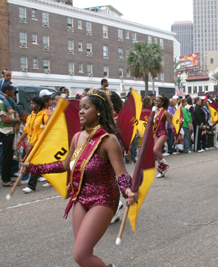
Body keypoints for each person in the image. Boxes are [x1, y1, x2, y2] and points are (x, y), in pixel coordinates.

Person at [21, 88, 137, 266]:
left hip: (104, 198)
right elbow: (64, 165)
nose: (81, 111)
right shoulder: (77, 137)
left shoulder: (108, 140)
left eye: (86, 107)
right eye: (80, 107)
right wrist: (34, 168)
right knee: (84, 254)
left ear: (98, 110)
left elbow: (121, 173)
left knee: (80, 255)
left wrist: (127, 190)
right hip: (80, 198)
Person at [16, 97, 50, 193]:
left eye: (33, 104)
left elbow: (49, 131)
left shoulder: (44, 117)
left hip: (41, 145)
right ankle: (51, 180)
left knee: (34, 163)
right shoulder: (30, 117)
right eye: (30, 103)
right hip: (33, 144)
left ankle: (31, 186)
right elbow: (26, 130)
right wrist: (19, 139)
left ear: (39, 105)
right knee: (44, 163)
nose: (31, 105)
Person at [0, 82, 21, 187]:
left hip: (10, 131)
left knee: (10, 156)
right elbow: (4, 119)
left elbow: (14, 112)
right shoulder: (1, 102)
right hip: (4, 132)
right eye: (11, 90)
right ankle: (5, 180)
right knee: (5, 157)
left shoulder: (8, 101)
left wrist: (15, 121)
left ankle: (9, 177)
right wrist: (17, 120)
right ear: (7, 91)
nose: (13, 92)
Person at [153, 95, 176, 178]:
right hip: (156, 133)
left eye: (157, 101)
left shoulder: (165, 112)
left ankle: (165, 164)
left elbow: (171, 124)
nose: (155, 102)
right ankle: (161, 171)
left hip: (163, 133)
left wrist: (175, 134)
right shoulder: (154, 111)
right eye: (155, 101)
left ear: (162, 102)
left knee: (155, 149)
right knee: (158, 151)